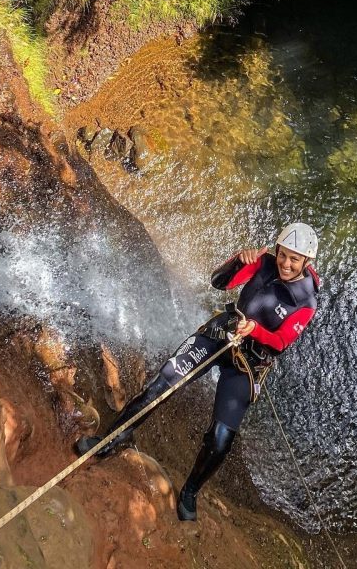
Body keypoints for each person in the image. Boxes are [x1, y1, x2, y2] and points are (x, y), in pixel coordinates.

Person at [74, 222, 321, 521]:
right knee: (159, 386)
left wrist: (255, 330)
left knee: (220, 438)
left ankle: (190, 490)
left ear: (306, 262)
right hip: (220, 335)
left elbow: (281, 342)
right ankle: (111, 439)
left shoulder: (306, 301)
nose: (285, 263)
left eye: (294, 259)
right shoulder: (263, 261)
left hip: (247, 364)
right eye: (283, 254)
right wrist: (236, 262)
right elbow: (220, 282)